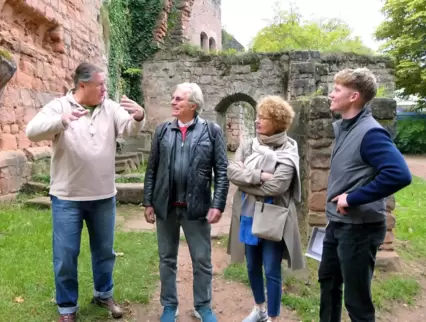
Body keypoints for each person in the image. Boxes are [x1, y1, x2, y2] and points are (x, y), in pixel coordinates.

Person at [25, 62, 146, 322]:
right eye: (100, 85)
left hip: (103, 196)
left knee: (104, 251)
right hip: (67, 197)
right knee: (66, 254)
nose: (105, 88)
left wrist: (138, 117)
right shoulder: (60, 106)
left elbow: (128, 128)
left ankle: (104, 294)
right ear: (83, 85)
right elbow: (31, 131)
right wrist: (60, 122)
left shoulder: (110, 108)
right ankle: (67, 308)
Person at [319, 68, 412, 322]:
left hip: (360, 229)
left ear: (354, 96)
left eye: (337, 89)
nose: (331, 94)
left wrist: (352, 197)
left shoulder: (370, 132)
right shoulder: (345, 128)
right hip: (337, 225)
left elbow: (399, 174)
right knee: (328, 284)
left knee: (357, 301)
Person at [143, 82, 229, 322]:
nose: (173, 102)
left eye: (178, 99)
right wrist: (148, 202)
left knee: (202, 260)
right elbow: (152, 170)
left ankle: (203, 307)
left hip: (197, 208)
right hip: (166, 207)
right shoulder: (162, 131)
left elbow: (221, 170)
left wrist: (217, 204)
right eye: (173, 98)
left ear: (193, 104)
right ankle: (169, 306)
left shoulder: (211, 131)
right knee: (166, 259)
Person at [227, 96, 305, 322]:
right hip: (248, 215)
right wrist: (259, 175)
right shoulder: (249, 144)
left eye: (263, 118)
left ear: (278, 122)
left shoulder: (289, 148)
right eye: (258, 116)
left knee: (271, 269)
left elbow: (278, 186)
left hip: (274, 217)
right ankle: (259, 309)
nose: (257, 121)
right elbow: (232, 172)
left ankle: (272, 317)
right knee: (252, 266)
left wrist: (246, 181)